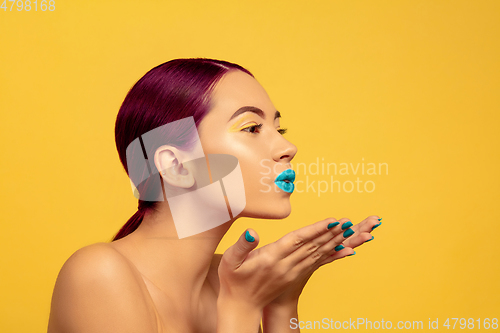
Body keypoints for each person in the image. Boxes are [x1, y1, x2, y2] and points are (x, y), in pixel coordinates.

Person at [47, 58, 381, 333]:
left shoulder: (233, 279)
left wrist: (281, 304)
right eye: (252, 128)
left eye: (279, 129)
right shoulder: (99, 275)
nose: (287, 148)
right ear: (175, 165)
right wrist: (241, 309)